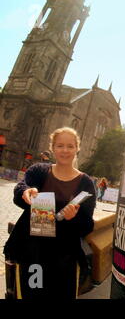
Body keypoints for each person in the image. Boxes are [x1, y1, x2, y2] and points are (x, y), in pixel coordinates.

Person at [3, 127, 96, 299]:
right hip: (33, 252)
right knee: (30, 293)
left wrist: (73, 219)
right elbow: (21, 188)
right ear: (53, 148)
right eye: (60, 146)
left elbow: (87, 225)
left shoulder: (86, 183)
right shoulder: (39, 171)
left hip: (64, 257)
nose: (65, 150)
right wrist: (26, 192)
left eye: (70, 146)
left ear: (77, 148)